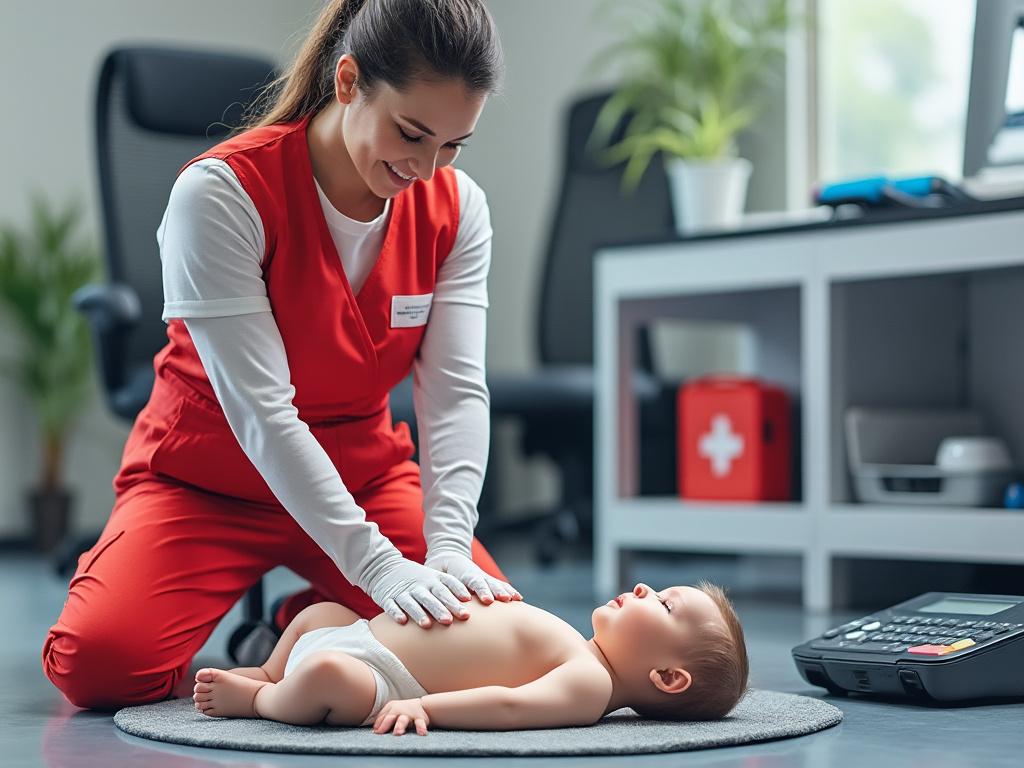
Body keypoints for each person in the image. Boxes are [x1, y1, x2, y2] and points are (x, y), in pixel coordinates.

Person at [42, 0, 522, 711]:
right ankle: (334, 603)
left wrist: (447, 546)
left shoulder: (458, 210)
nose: (426, 168)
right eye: (412, 133)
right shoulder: (221, 194)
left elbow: (454, 394)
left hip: (362, 474)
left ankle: (299, 623)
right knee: (100, 668)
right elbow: (262, 412)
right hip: (207, 482)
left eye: (453, 145)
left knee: (492, 645)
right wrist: (382, 572)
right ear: (350, 81)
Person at [190, 580, 749, 732]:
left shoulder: (589, 685)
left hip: (381, 678)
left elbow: (508, 706)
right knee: (321, 614)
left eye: (667, 606)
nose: (648, 589)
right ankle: (269, 666)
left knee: (326, 676)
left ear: (667, 677)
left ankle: (263, 698)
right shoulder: (582, 648)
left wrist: (431, 709)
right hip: (366, 631)